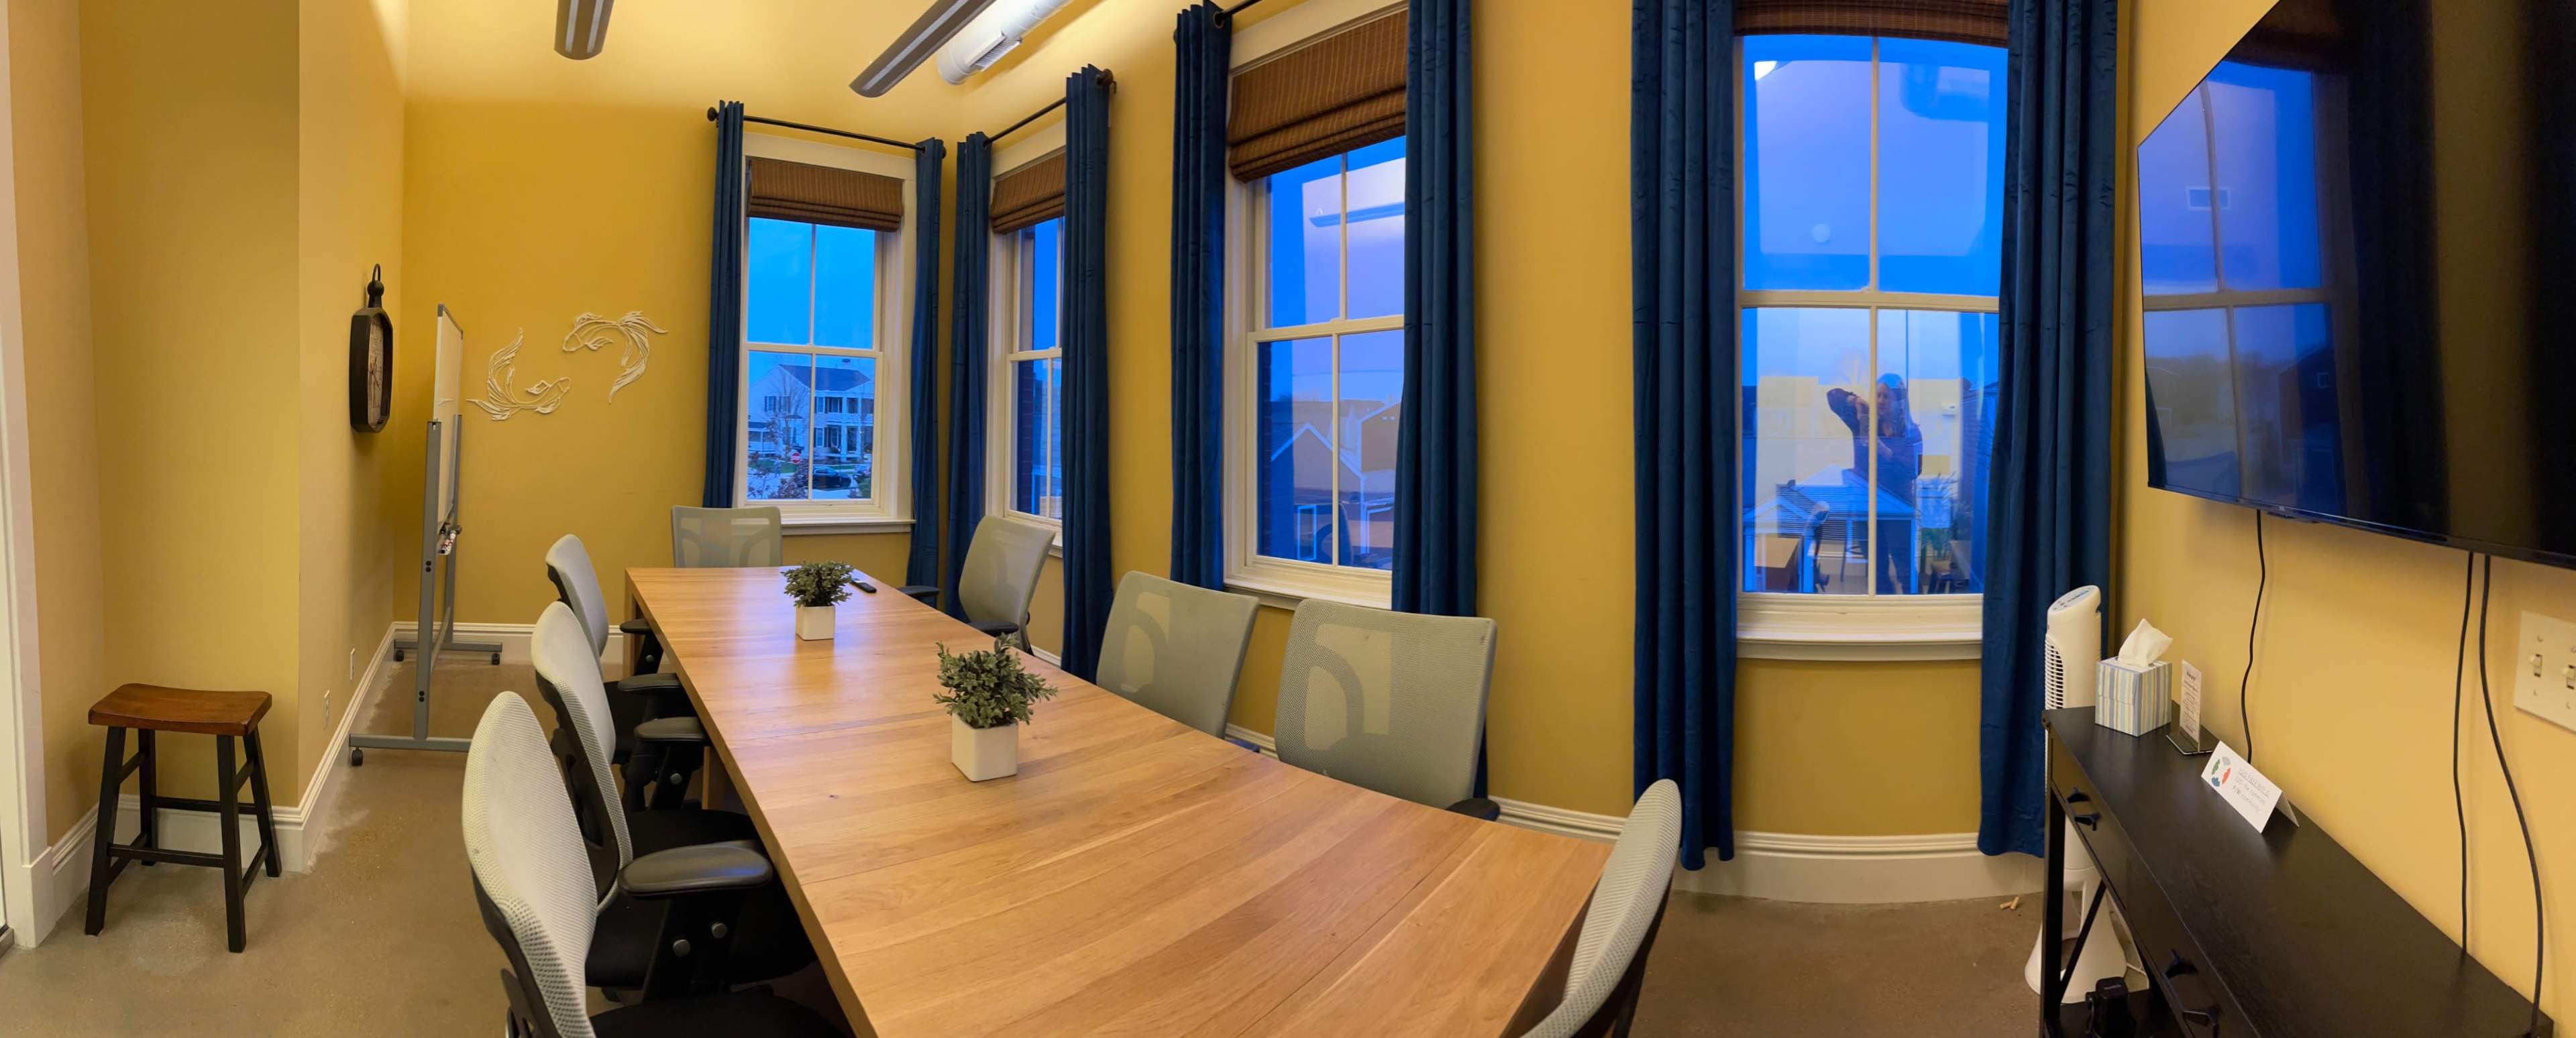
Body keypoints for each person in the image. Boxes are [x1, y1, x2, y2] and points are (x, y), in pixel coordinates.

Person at [1827, 374, 1924, 593]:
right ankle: (1885, 614)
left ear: (1900, 400)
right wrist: (1854, 400)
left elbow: (1914, 470)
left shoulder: (1910, 431)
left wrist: (1884, 449)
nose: (1880, 401)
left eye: (1886, 397)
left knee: (1905, 566)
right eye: (1878, 396)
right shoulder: (1864, 421)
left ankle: (1915, 613)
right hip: (1866, 505)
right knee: (1876, 568)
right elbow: (1832, 397)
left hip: (1897, 507)